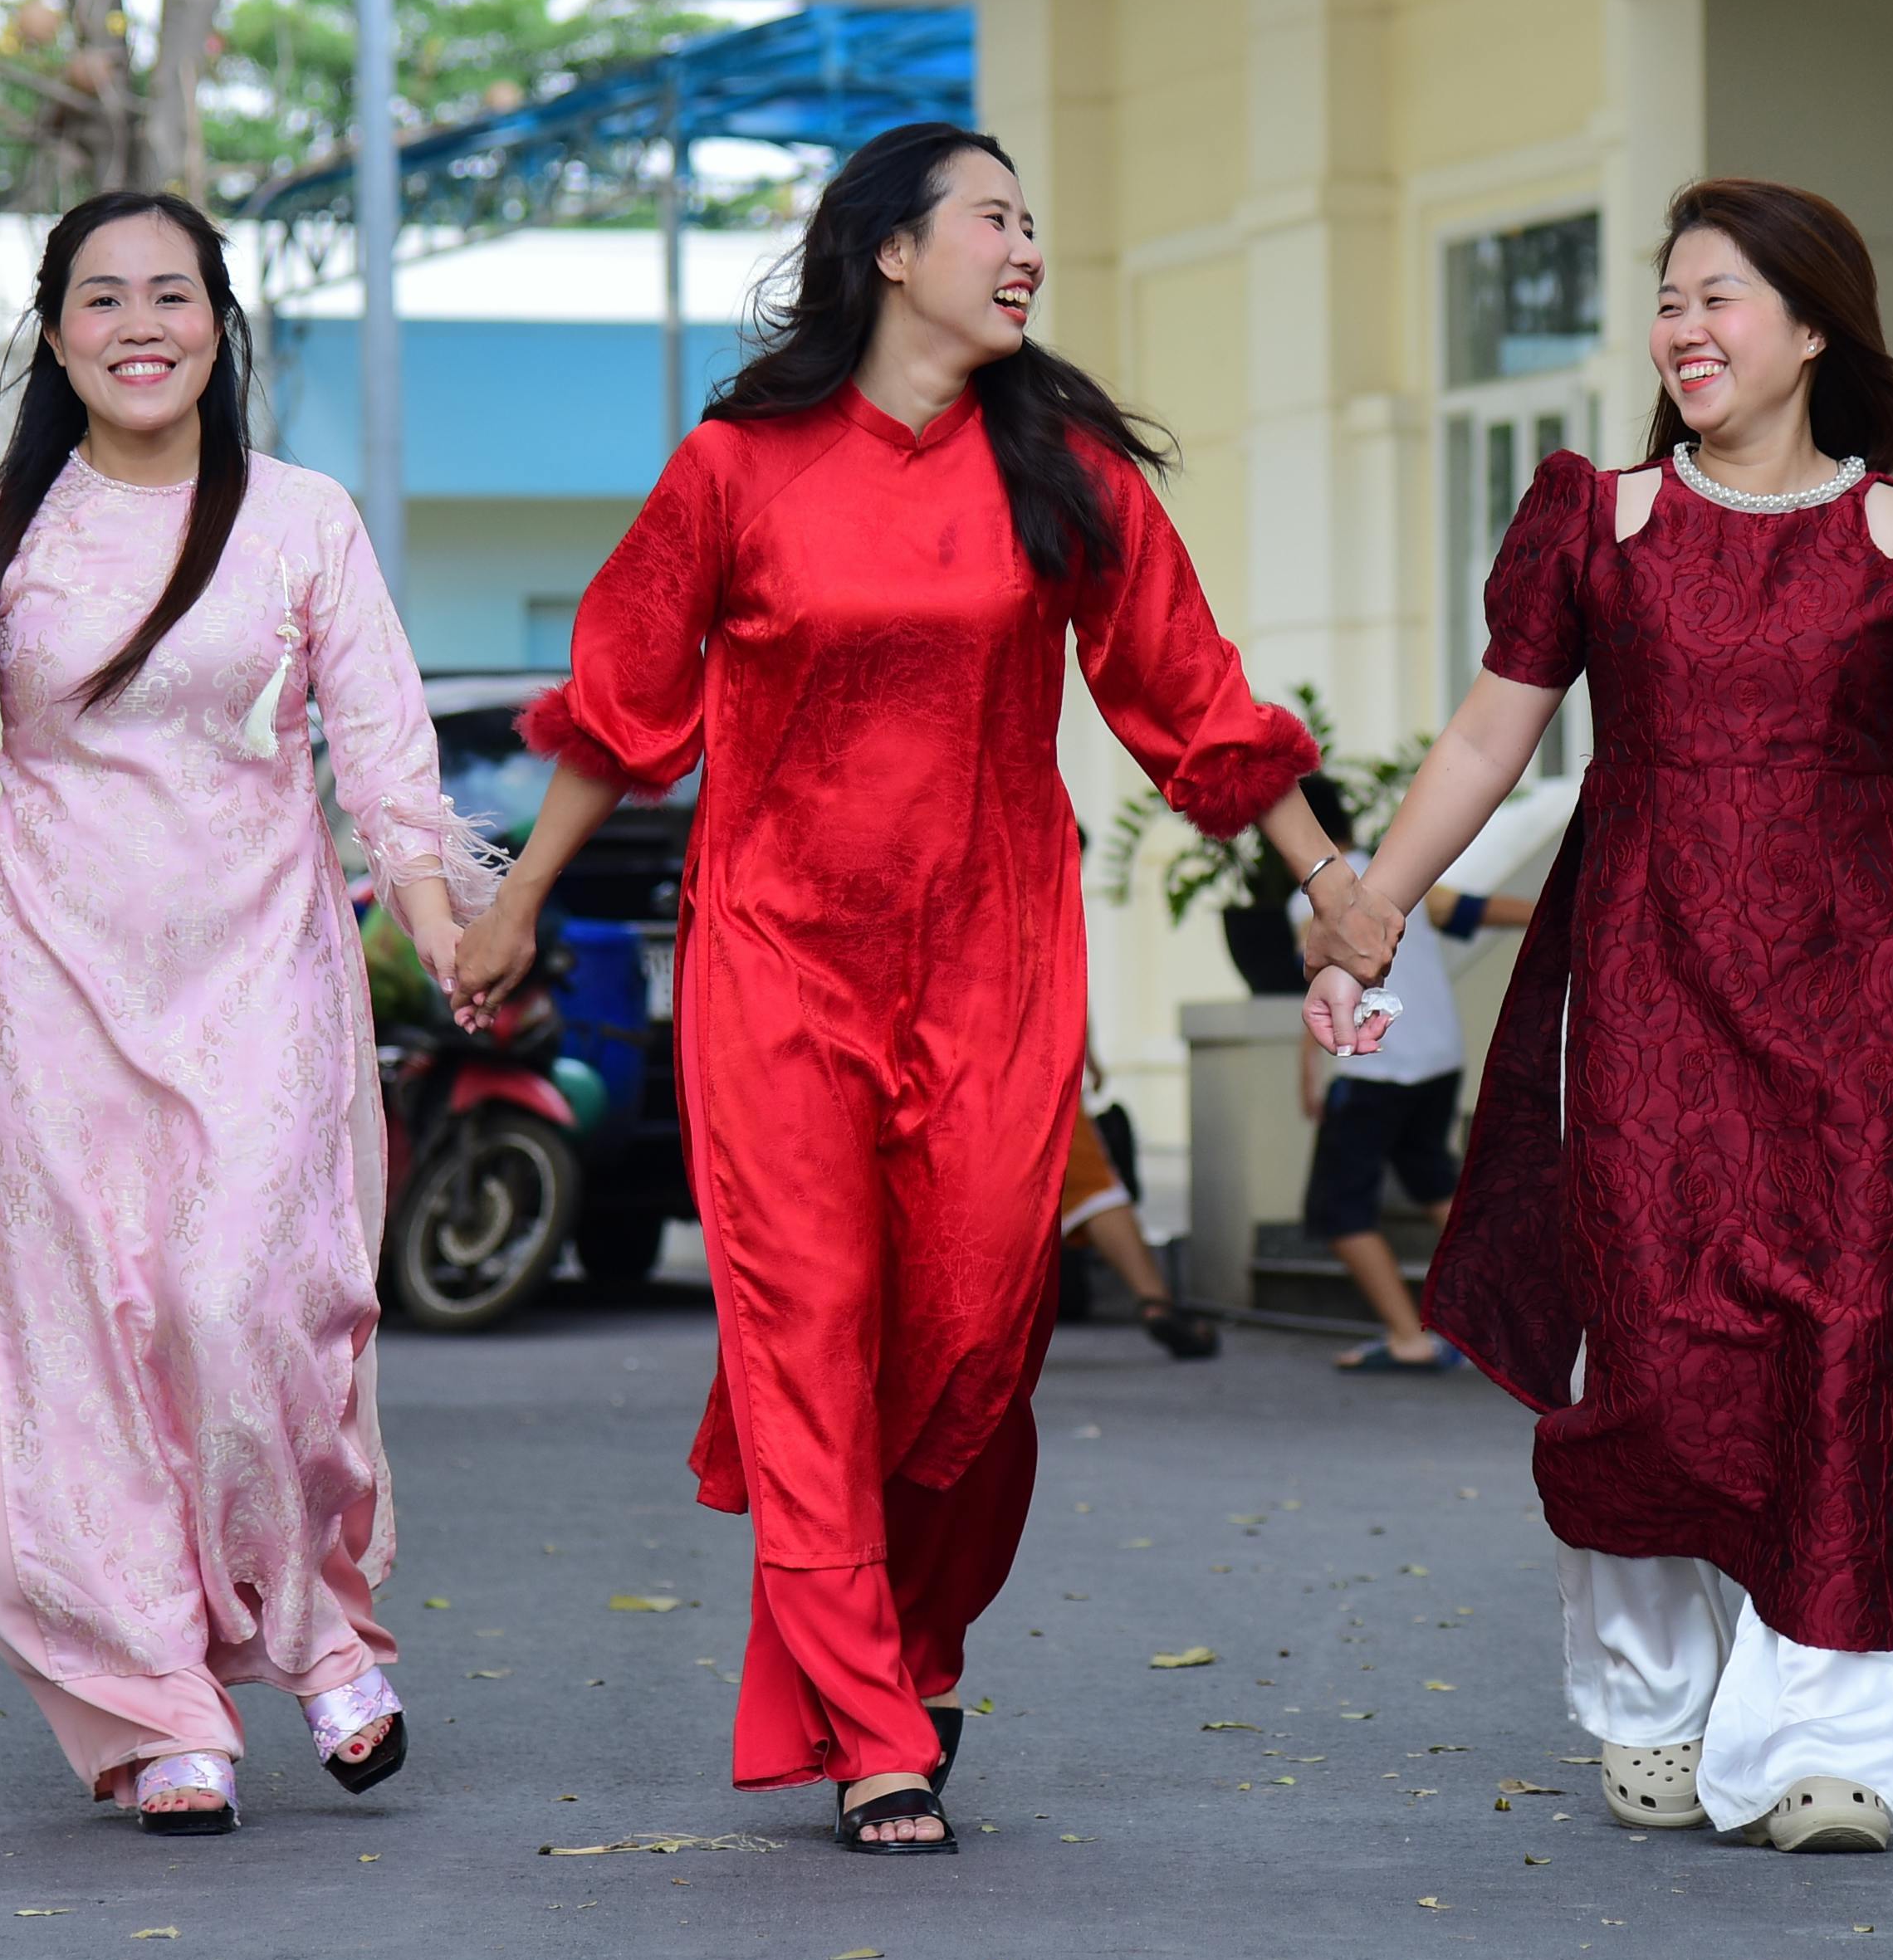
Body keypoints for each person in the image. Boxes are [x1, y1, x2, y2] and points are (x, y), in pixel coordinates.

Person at [1310, 178, 1893, 1855]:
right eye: (1668, 300)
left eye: (1721, 296)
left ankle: (1831, 1735)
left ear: (1815, 325)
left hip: (1847, 991)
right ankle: (1657, 1704)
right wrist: (1371, 907)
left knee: (1852, 1336)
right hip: (1644, 977)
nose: (1685, 328)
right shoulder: (1596, 521)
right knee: (1654, 1339)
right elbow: (1483, 744)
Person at [452, 124, 1343, 1858]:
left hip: (993, 958)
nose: (1024, 250)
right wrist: (517, 904)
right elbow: (628, 703)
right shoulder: (737, 468)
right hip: (777, 953)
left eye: (1033, 223)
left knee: (975, 1342)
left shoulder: (1063, 469)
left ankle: (917, 1647)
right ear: (891, 251)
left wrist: (1335, 880)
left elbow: (1191, 696)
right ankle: (869, 1723)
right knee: (806, 1331)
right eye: (995, 219)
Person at [0, 192, 491, 1838]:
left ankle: (317, 1630)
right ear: (58, 328)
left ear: (219, 322)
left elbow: (382, 753)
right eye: (103, 297)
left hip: (263, 991)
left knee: (245, 1308)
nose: (139, 323)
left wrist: (440, 923)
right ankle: (161, 1704)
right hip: (57, 1001)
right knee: (89, 1349)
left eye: (172, 293)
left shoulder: (301, 520)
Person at [1281, 777, 1486, 1373]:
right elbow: (1466, 910)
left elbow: (1321, 976)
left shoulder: (1316, 893)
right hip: (1439, 1059)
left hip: (1376, 1065)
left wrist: (1311, 1071)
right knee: (1431, 1183)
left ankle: (1409, 1336)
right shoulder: (1400, 873)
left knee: (1338, 1211)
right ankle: (1496, 1308)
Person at [1059, 1048, 1220, 1360]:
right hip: (1023, 1052)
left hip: (953, 1059)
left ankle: (967, 1323)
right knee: (1092, 1189)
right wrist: (1085, 1052)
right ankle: (1155, 1302)